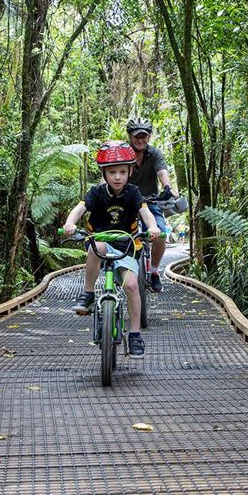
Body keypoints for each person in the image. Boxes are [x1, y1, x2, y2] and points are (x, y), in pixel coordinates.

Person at [62, 140, 160, 359]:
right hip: (101, 243)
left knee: (133, 286)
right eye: (112, 172)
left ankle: (134, 335)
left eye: (122, 172)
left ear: (130, 172)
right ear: (104, 174)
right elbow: (80, 209)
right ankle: (88, 294)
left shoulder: (133, 193)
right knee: (98, 245)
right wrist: (70, 223)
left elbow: (146, 214)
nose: (118, 177)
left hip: (127, 245)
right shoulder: (96, 193)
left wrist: (152, 227)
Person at [126, 117, 177, 292]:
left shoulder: (154, 154)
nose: (140, 140)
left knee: (161, 234)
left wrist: (168, 187)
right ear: (130, 137)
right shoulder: (124, 154)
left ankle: (154, 271)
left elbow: (162, 172)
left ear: (148, 137)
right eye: (136, 137)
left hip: (150, 201)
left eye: (144, 137)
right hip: (127, 202)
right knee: (120, 234)